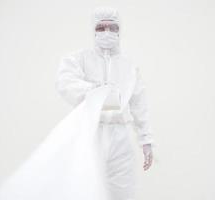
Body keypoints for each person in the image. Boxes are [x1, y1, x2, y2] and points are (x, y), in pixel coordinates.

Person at [56, 7, 155, 200]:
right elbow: (65, 82)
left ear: (119, 30)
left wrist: (146, 139)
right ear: (93, 30)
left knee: (122, 190)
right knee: (85, 189)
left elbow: (139, 103)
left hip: (120, 134)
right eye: (101, 27)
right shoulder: (79, 59)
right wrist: (96, 90)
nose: (107, 32)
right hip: (90, 132)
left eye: (112, 27)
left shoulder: (128, 66)